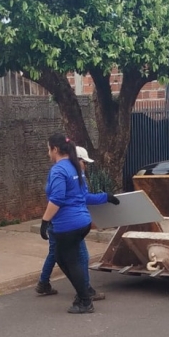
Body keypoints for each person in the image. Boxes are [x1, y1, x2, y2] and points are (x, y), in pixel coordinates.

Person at [36, 145, 119, 301]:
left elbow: (82, 197)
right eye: (84, 162)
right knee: (69, 256)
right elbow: (59, 198)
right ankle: (84, 292)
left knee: (63, 255)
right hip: (63, 223)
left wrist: (105, 197)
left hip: (64, 223)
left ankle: (47, 283)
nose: (85, 166)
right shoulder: (67, 173)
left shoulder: (72, 173)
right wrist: (45, 221)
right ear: (76, 159)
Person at [39, 134, 101, 314]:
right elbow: (83, 196)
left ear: (55, 150)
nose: (48, 153)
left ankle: (84, 299)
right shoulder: (76, 167)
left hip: (68, 225)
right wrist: (105, 197)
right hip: (81, 222)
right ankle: (83, 294)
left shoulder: (59, 170)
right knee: (60, 257)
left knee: (71, 261)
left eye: (48, 149)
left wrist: (45, 221)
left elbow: (56, 199)